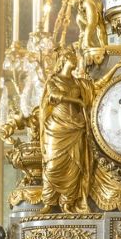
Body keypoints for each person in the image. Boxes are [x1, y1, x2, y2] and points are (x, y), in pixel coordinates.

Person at [40, 49, 92, 211]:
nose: (74, 60)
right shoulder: (53, 81)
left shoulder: (79, 83)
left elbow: (95, 89)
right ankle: (49, 201)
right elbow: (54, 97)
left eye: (75, 57)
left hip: (76, 125)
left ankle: (67, 202)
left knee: (75, 164)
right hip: (56, 125)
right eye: (70, 57)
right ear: (62, 60)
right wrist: (77, 101)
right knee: (52, 163)